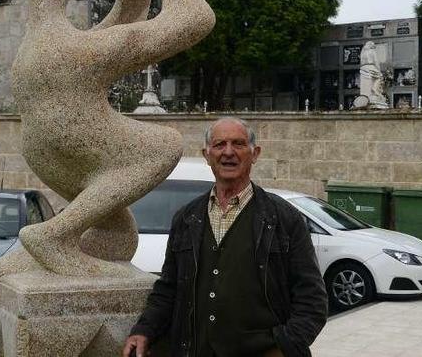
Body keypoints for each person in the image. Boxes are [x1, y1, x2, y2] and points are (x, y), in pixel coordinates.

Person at [122, 117, 328, 357]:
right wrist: (145, 329)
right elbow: (169, 289)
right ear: (207, 154)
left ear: (255, 153)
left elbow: (312, 300)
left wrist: (284, 346)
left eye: (238, 144)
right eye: (220, 145)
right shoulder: (186, 219)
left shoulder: (284, 219)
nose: (228, 152)